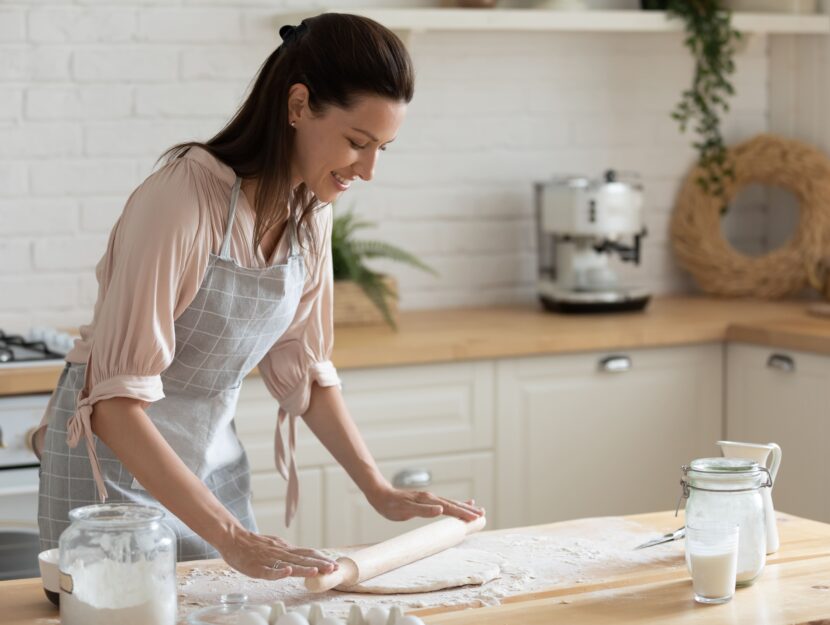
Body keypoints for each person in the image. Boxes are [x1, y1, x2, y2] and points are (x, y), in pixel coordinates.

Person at [34, 13, 484, 581]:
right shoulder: (183, 199)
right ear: (298, 106)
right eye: (356, 143)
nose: (367, 170)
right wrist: (232, 537)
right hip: (113, 480)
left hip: (210, 468)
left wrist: (378, 489)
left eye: (382, 150)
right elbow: (113, 406)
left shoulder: (309, 213)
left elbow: (304, 368)